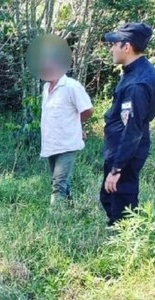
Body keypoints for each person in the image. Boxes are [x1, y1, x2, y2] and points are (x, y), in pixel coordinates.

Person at [101, 22, 155, 226]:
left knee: (122, 206)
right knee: (110, 198)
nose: (111, 48)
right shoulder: (135, 72)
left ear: (127, 46)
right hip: (121, 149)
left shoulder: (138, 83)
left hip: (125, 152)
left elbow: (132, 129)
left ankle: (127, 249)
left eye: (115, 43)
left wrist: (117, 169)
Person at [39, 46, 94, 205]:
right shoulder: (46, 88)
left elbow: (88, 110)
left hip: (68, 144)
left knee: (58, 184)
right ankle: (73, 210)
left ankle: (56, 221)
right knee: (61, 183)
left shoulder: (71, 86)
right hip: (51, 144)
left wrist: (77, 126)